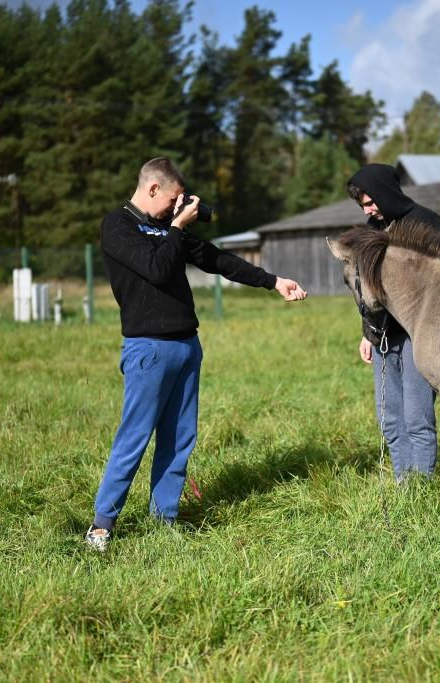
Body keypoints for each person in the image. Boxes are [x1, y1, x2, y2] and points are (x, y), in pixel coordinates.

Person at [85, 157, 307, 551]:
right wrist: (175, 227)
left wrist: (272, 281)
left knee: (179, 438)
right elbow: (156, 269)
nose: (175, 208)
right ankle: (103, 525)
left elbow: (217, 260)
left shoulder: (166, 229)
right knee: (134, 437)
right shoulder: (117, 226)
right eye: (172, 200)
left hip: (187, 346)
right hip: (148, 349)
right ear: (153, 189)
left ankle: (164, 519)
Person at [346, 163, 440, 481]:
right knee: (389, 417)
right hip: (383, 336)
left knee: (417, 416)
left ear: (384, 191)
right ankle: (404, 483)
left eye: (370, 200)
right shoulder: (372, 229)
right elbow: (367, 289)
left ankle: (422, 483)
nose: (368, 209)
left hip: (419, 335)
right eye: (363, 204)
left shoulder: (426, 222)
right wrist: (367, 333)